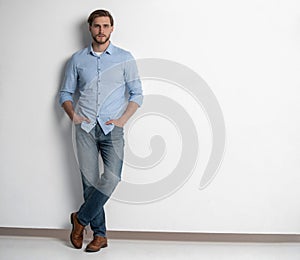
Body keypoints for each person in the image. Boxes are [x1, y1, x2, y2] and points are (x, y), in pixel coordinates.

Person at [59, 9, 143, 253]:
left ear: (112, 28)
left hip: (112, 129)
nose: (101, 30)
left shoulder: (125, 58)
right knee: (89, 183)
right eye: (97, 26)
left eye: (106, 26)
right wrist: (73, 115)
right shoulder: (76, 60)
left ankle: (80, 219)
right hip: (84, 128)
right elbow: (65, 93)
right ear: (90, 28)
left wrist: (122, 120)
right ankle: (100, 235)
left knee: (112, 177)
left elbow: (137, 94)